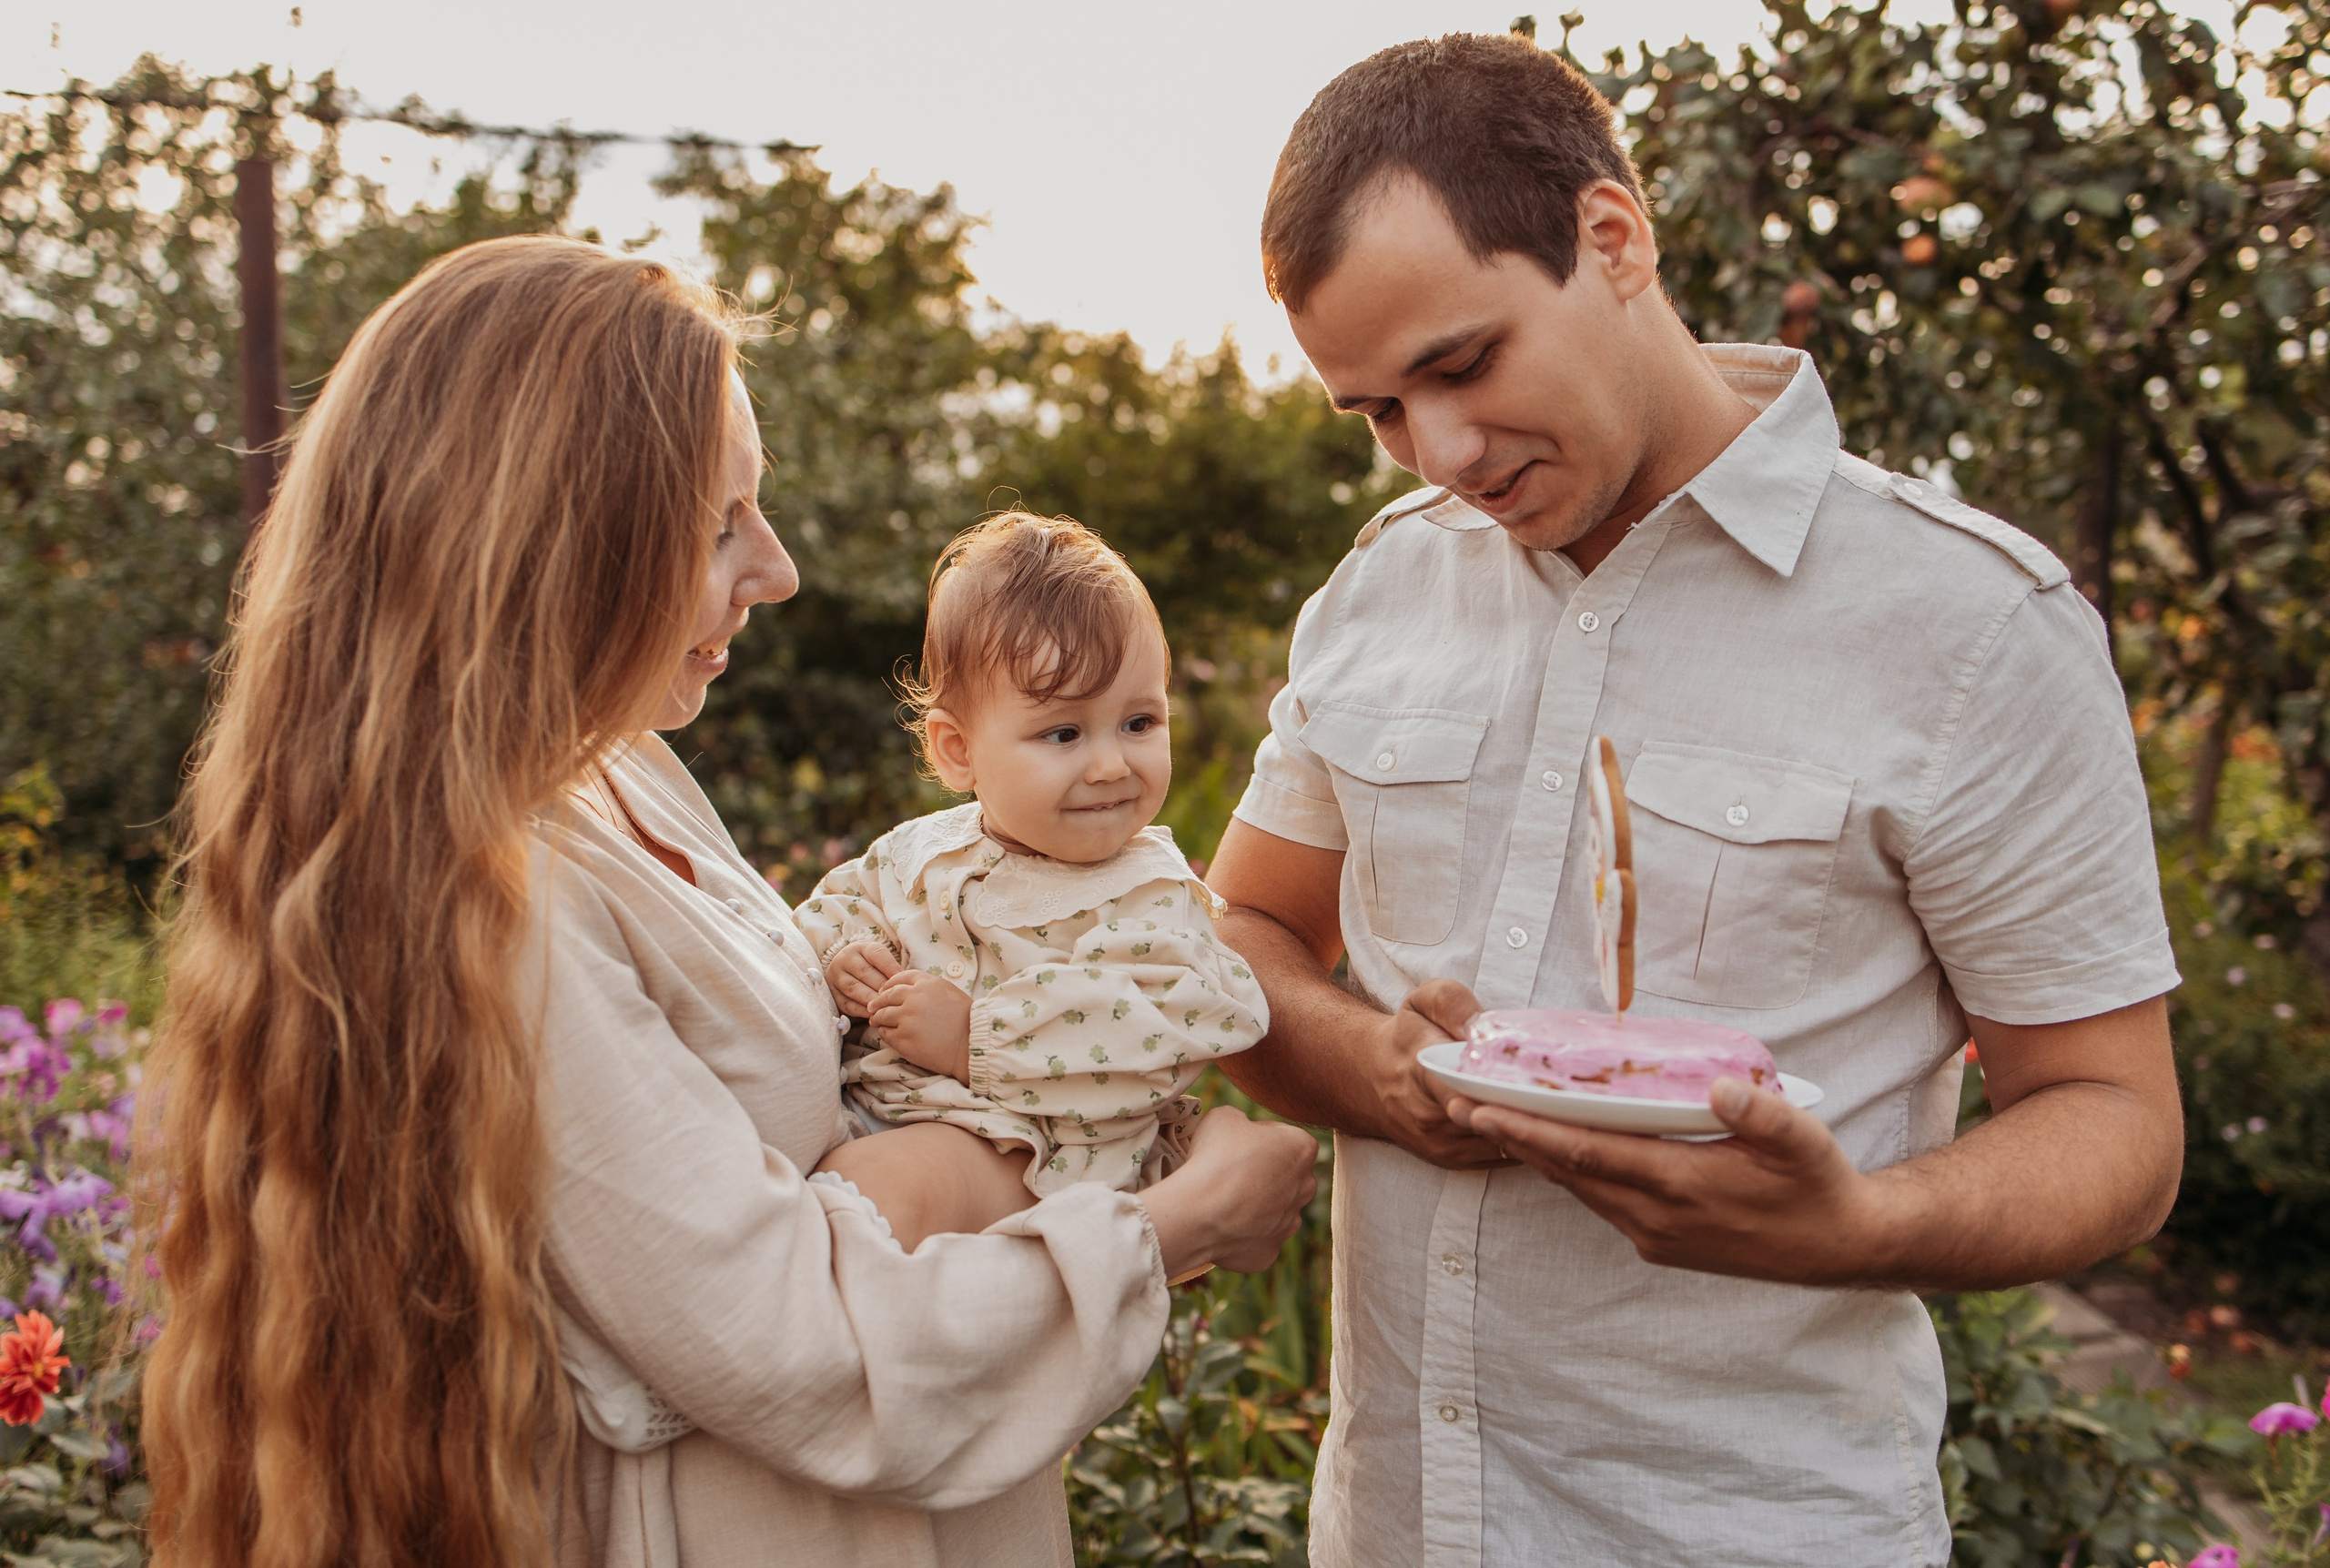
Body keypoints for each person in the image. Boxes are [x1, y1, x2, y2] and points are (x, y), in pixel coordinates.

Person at [138, 235, 1318, 1568]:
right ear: (552, 551)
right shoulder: (499, 904)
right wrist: (1175, 1225)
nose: (778, 567)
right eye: (718, 524)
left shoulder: (614, 768)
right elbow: (796, 1348)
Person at [1207, 35, 2183, 1568]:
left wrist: (1861, 1225)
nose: (1441, 453)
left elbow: (2117, 1118)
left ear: (1612, 238)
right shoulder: (1382, 587)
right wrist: (1376, 1070)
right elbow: (1243, 931)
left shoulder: (1975, 625)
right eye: (1378, 410)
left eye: (1462, 365)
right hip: (1391, 1527)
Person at [797, 512, 1268, 1249]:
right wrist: (847, 953)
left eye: (1139, 722)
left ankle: (819, 1287)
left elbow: (1154, 1027)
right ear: (958, 750)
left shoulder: (1147, 892)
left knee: (877, 1192)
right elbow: (841, 902)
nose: (1111, 764)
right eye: (1064, 733)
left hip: (1030, 1147)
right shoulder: (922, 850)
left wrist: (972, 1036)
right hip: (893, 1106)